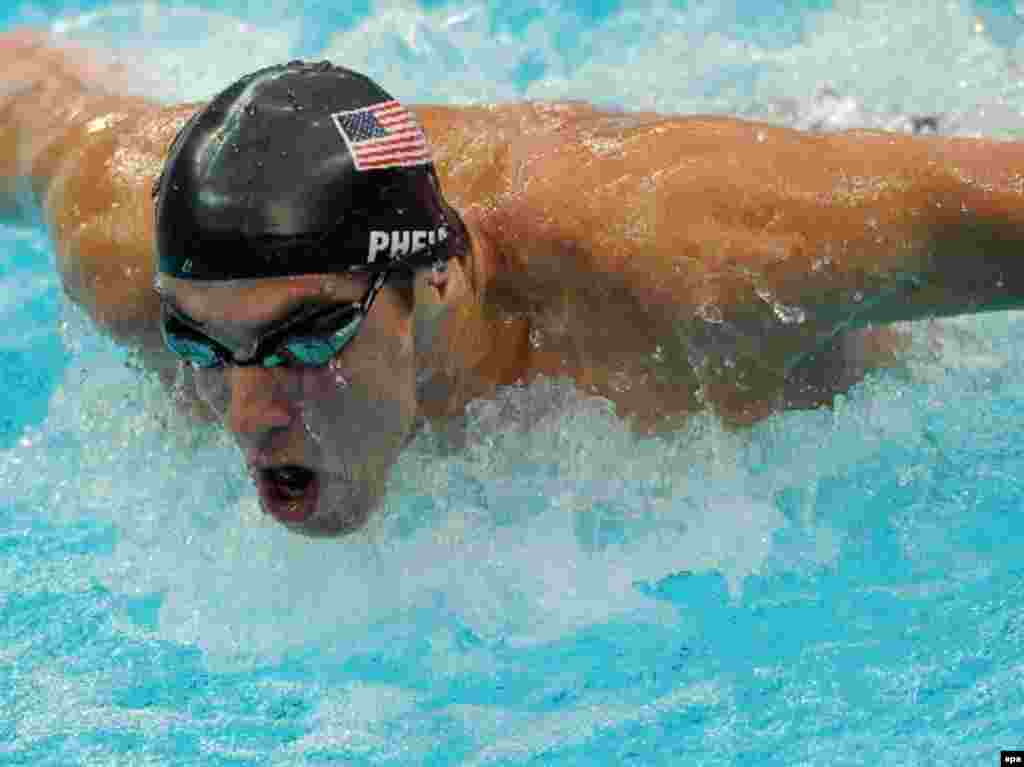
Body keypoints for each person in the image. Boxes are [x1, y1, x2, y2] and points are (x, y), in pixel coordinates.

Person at [3, 29, 1024, 536]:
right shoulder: (120, 239)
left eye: (304, 339)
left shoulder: (699, 271)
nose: (244, 414)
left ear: (438, 280)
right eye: (203, 345)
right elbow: (28, 97)